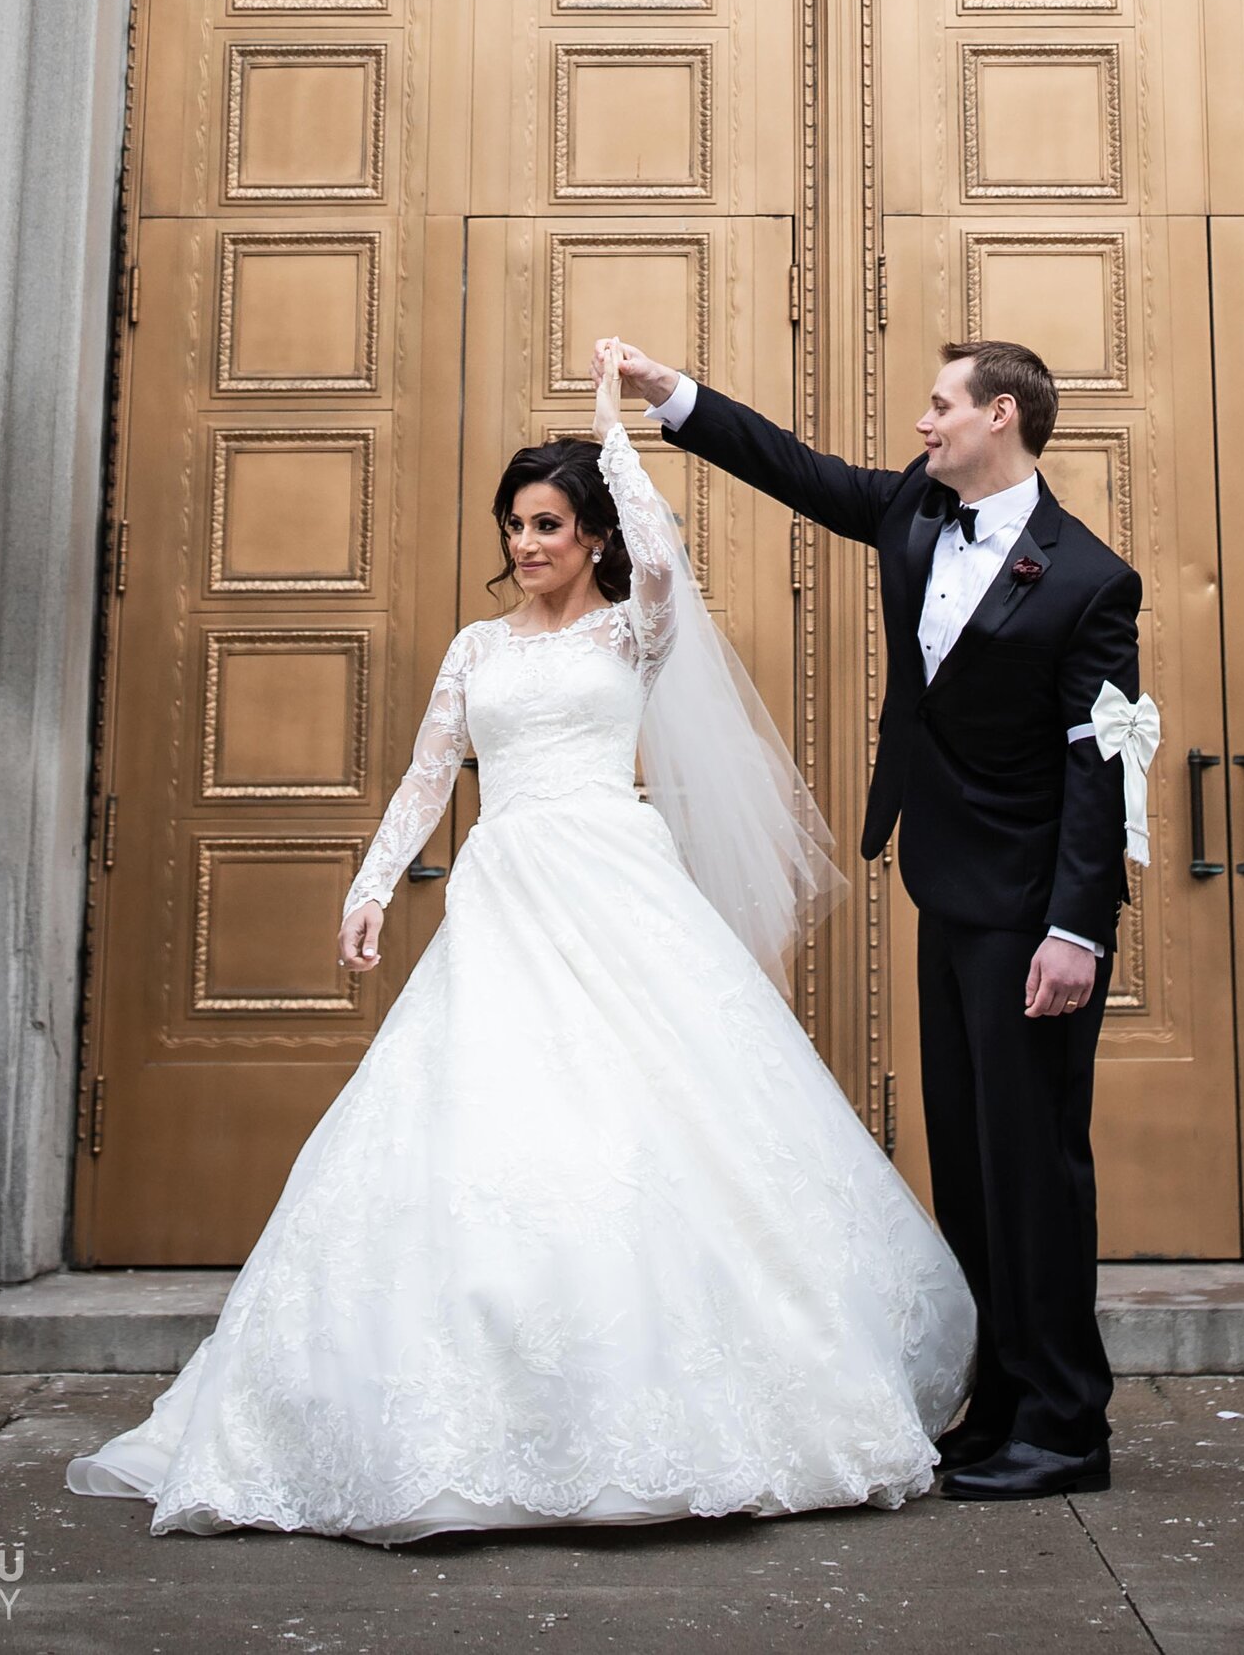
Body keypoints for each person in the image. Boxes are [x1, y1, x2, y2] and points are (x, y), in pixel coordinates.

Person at [67, 370, 972, 1544]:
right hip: (504, 895)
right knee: (479, 1119)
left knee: (653, 1121)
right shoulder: (474, 647)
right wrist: (371, 885)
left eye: (548, 524)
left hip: (615, 887)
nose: (525, 542)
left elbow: (658, 560)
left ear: (588, 533)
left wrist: (614, 438)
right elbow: (428, 774)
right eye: (516, 525)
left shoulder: (630, 628)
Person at [605, 330, 1146, 1500]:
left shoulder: (1092, 580)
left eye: (941, 405)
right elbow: (802, 473)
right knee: (969, 1162)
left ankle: (1066, 1424)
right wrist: (672, 395)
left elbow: (1102, 765)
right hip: (945, 884)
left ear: (1001, 416)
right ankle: (999, 1400)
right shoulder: (913, 511)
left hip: (1031, 916)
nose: (922, 422)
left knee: (1035, 1166)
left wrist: (1076, 929)